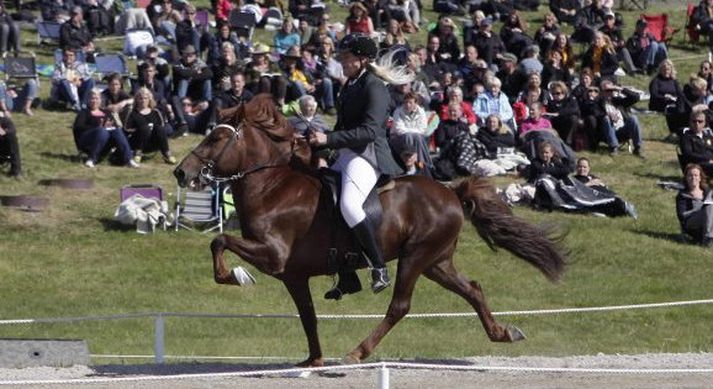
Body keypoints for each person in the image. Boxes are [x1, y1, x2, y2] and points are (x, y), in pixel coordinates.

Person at [309, 34, 411, 295]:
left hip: (368, 155)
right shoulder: (351, 84)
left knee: (349, 205)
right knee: (323, 199)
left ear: (362, 60)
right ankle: (347, 275)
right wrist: (318, 142)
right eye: (342, 57)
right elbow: (343, 127)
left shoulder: (374, 86)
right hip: (346, 153)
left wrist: (329, 139)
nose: (342, 61)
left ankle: (379, 267)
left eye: (347, 57)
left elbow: (368, 131)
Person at [72, 89, 137, 168]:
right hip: (87, 140)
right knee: (101, 130)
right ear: (88, 100)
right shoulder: (84, 112)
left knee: (117, 130)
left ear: (100, 100)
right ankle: (91, 159)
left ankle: (129, 159)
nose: (94, 101)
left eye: (97, 98)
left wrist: (109, 126)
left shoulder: (106, 112)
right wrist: (98, 126)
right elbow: (78, 127)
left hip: (105, 140)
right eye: (92, 98)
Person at [124, 87, 175, 164]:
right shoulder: (132, 113)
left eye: (145, 98)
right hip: (137, 141)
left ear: (149, 99)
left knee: (159, 128)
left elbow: (162, 126)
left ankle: (167, 154)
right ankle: (138, 153)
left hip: (153, 142)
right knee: (145, 128)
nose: (143, 101)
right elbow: (127, 129)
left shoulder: (156, 112)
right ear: (137, 100)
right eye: (140, 98)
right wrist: (141, 129)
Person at [676, 163, 713, 247]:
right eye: (690, 175)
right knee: (710, 207)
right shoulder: (682, 195)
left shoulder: (708, 191)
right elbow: (682, 216)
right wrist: (701, 211)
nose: (693, 178)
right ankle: (708, 239)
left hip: (709, 220)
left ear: (700, 178)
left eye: (696, 175)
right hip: (691, 222)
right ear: (686, 178)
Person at [680, 111, 713, 176]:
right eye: (694, 121)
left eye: (700, 121)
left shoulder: (708, 136)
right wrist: (708, 158)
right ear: (690, 122)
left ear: (704, 123)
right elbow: (688, 154)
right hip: (697, 164)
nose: (697, 124)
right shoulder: (686, 137)